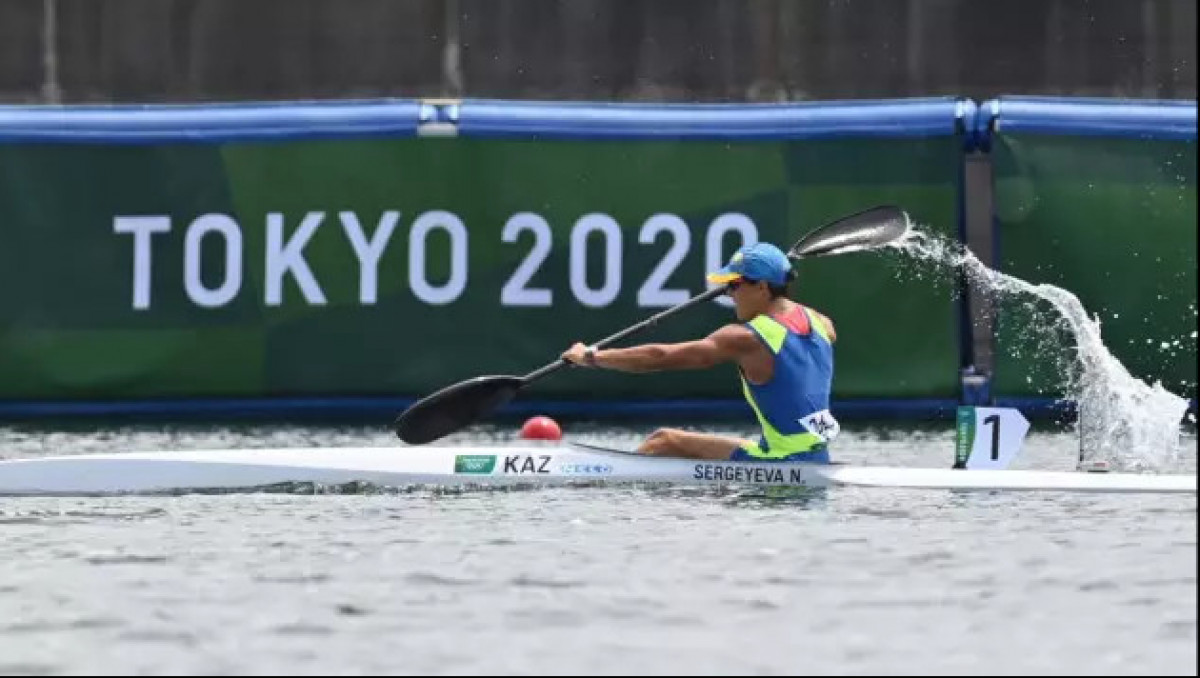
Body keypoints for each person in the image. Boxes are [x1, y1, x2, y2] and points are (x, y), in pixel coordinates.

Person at [561, 242, 840, 463]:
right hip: (817, 457)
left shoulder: (746, 338)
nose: (729, 294)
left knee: (663, 442)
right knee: (670, 441)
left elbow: (661, 357)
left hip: (781, 463)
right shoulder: (821, 323)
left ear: (762, 286)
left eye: (735, 284)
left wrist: (592, 357)